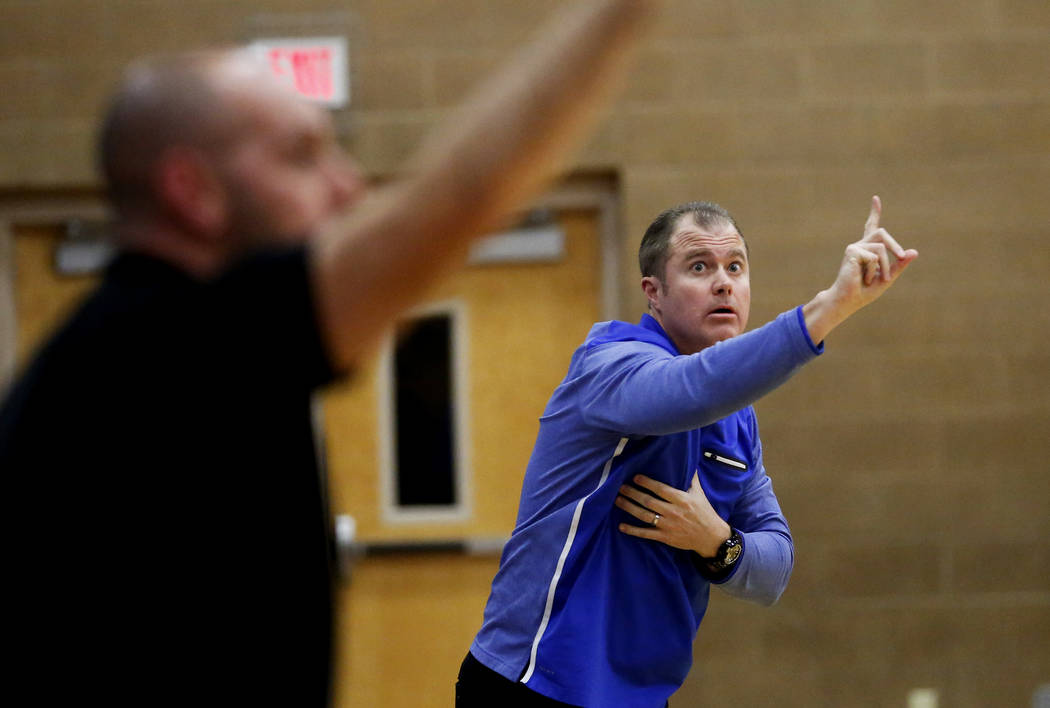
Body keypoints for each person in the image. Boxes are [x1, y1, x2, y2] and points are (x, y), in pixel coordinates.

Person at [0, 1, 664, 704]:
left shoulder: (144, 347)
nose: (349, 187)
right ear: (192, 189)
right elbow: (461, 199)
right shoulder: (165, 344)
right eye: (302, 156)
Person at [459, 199, 918, 707]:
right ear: (654, 293)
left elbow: (774, 568)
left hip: (640, 697)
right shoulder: (609, 367)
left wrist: (716, 540)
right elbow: (692, 387)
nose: (724, 282)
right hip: (531, 683)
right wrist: (830, 307)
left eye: (735, 267)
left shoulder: (738, 418)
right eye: (700, 267)